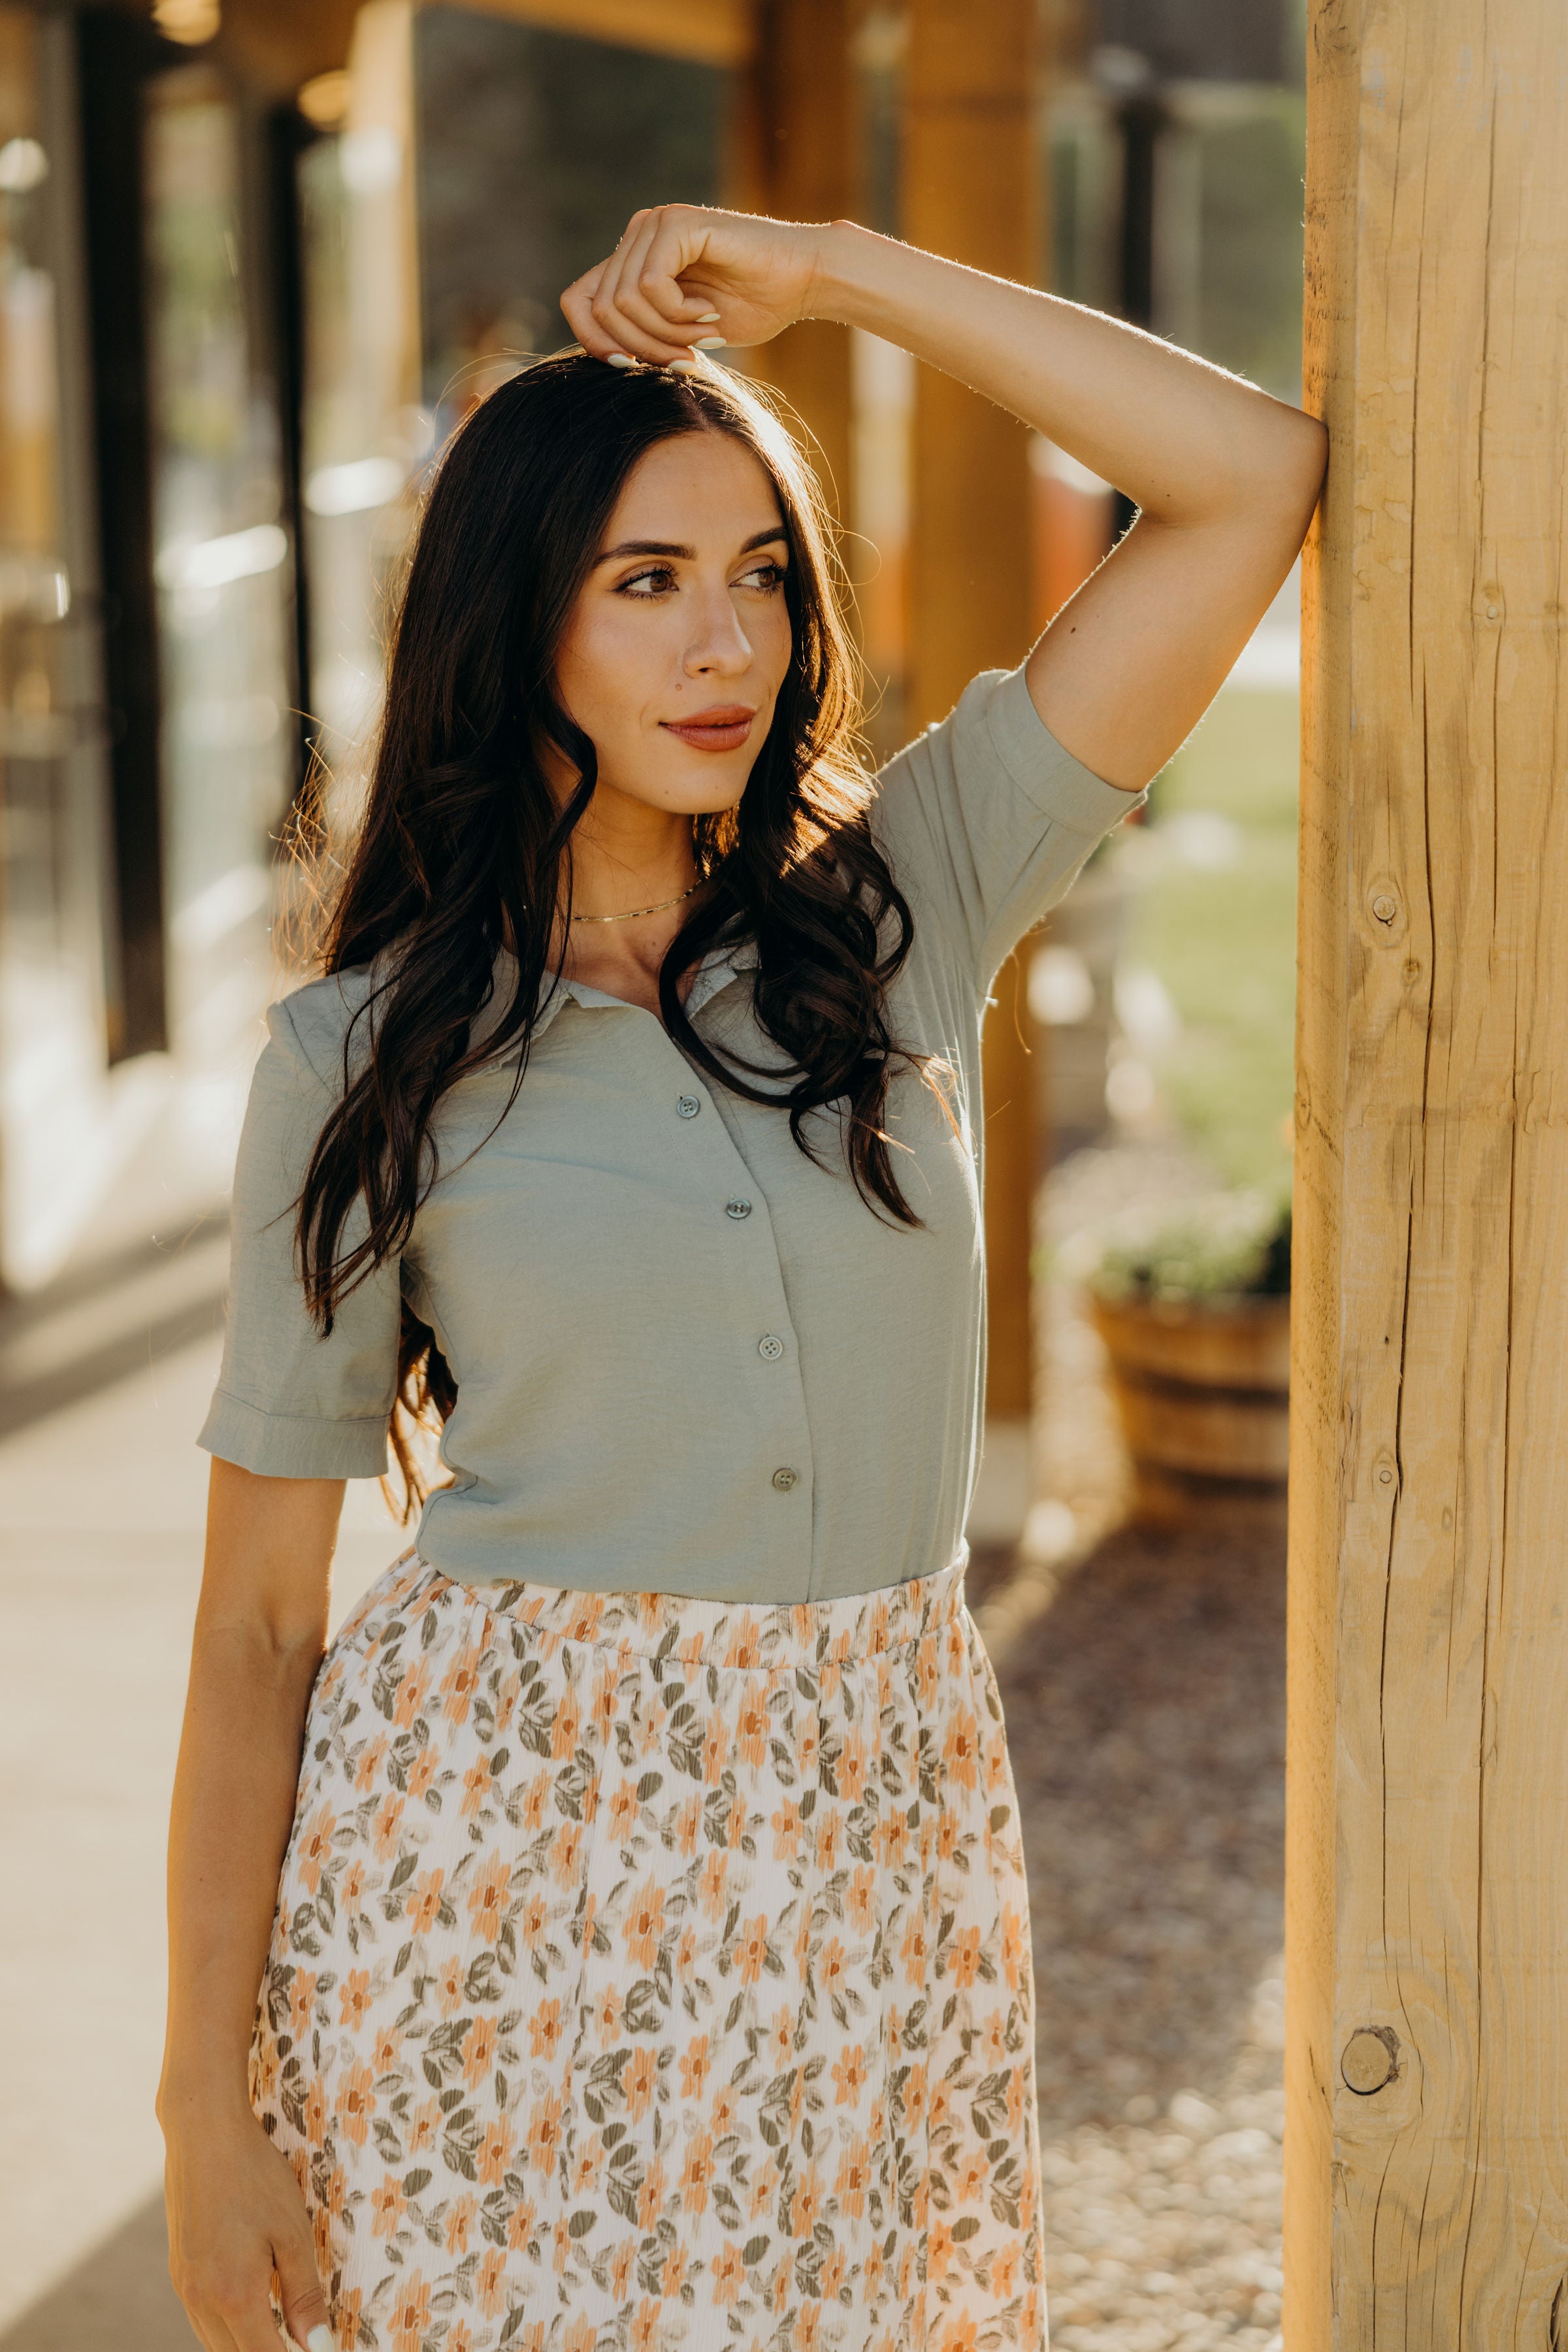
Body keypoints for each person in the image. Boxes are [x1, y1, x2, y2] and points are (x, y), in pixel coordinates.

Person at [158, 204, 1324, 2352]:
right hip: (488, 1886)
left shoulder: (898, 914)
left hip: (874, 1849)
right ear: (520, 632)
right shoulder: (366, 1050)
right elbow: (253, 1625)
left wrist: (845, 275)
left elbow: (1251, 474)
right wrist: (200, 2113)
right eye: (648, 584)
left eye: (763, 576)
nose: (730, 648)